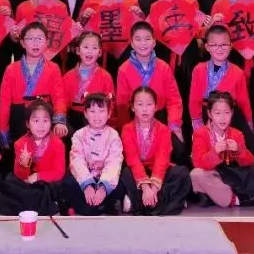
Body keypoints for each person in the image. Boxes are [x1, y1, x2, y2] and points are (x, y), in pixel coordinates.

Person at [120, 87, 192, 215]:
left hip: (157, 171)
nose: (145, 109)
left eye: (149, 104)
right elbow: (132, 159)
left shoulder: (164, 130)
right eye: (140, 104)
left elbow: (162, 159)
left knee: (182, 173)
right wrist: (145, 187)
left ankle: (140, 204)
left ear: (156, 107)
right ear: (132, 107)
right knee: (125, 173)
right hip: (138, 171)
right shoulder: (127, 129)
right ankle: (164, 202)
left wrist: (153, 187)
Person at [114, 22, 184, 150]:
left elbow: (174, 100)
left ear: (154, 42)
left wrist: (175, 126)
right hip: (135, 120)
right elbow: (122, 105)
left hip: (161, 118)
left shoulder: (163, 67)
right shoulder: (123, 69)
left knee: (179, 148)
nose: (143, 43)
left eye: (147, 39)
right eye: (138, 39)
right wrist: (126, 131)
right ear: (132, 43)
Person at [0, 22, 67, 149]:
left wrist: (59, 121)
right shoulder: (11, 69)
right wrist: (3, 129)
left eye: (40, 39)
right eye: (30, 39)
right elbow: (4, 102)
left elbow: (59, 97)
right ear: (22, 43)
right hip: (19, 117)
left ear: (46, 42)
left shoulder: (53, 68)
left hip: (44, 115)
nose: (35, 43)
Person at [189, 92, 254, 208]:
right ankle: (236, 200)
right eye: (217, 113)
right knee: (196, 174)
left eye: (227, 113)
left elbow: (250, 161)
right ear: (209, 114)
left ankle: (215, 196)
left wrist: (238, 150)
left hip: (231, 174)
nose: (223, 118)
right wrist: (214, 153)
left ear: (232, 113)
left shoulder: (237, 133)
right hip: (213, 174)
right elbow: (197, 163)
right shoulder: (200, 134)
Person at [0, 99, 66, 215]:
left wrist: (38, 176)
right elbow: (20, 176)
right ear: (28, 123)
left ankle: (35, 204)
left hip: (47, 182)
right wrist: (24, 164)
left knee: (45, 190)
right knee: (9, 183)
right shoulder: (20, 143)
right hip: (27, 183)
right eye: (36, 121)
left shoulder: (57, 143)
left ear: (51, 122)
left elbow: (59, 172)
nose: (41, 126)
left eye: (45, 121)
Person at [63, 93, 125, 215]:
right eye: (92, 111)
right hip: (84, 179)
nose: (97, 116)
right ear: (85, 113)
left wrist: (103, 188)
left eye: (101, 111)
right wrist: (87, 185)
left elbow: (114, 162)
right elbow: (77, 161)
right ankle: (100, 206)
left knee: (121, 186)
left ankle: (96, 205)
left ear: (109, 113)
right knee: (68, 184)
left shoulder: (113, 135)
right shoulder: (79, 135)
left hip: (105, 178)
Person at [80, 0, 143, 74]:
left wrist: (140, 15)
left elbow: (141, 28)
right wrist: (84, 17)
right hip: (97, 50)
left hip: (126, 50)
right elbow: (79, 26)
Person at [190, 26, 254, 142]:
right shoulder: (198, 69)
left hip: (230, 116)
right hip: (206, 114)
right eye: (214, 45)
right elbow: (194, 100)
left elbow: (244, 102)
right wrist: (197, 123)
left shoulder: (238, 72)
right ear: (207, 47)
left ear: (231, 46)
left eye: (224, 45)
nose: (219, 49)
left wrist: (249, 124)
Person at [62, 31, 115, 132]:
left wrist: (102, 117)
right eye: (86, 47)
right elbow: (63, 101)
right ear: (78, 50)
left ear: (100, 52)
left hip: (97, 118)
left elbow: (110, 101)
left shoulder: (105, 76)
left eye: (94, 48)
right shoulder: (68, 76)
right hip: (73, 119)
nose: (90, 51)